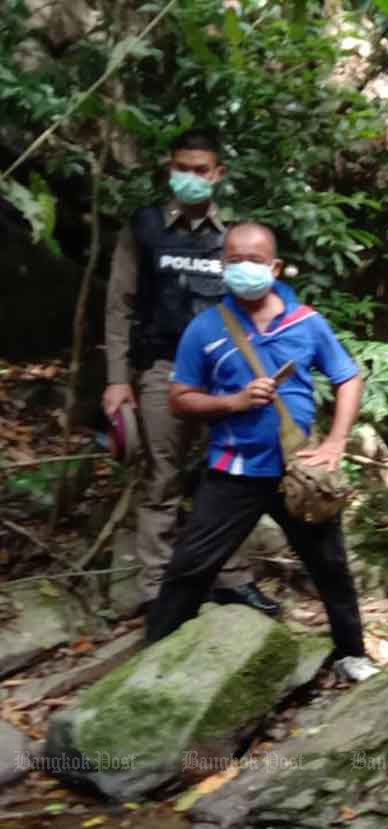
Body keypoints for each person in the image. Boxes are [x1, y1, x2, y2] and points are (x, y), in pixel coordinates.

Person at [144, 222, 377, 683]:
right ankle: (153, 656)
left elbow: (348, 378)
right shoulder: (206, 327)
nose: (243, 269)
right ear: (222, 266)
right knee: (190, 566)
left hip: (299, 472)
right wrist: (231, 402)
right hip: (233, 469)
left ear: (274, 266)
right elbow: (179, 397)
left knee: (330, 567)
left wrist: (334, 443)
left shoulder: (306, 322)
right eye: (233, 261)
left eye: (253, 261)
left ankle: (352, 653)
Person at [101, 128, 277, 619]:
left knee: (228, 479)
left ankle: (231, 578)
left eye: (202, 170)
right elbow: (119, 305)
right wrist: (117, 379)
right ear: (169, 169)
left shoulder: (232, 239)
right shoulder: (146, 228)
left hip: (227, 376)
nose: (191, 178)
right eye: (183, 168)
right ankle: (156, 588)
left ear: (218, 175)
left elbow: (257, 305)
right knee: (161, 478)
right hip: (163, 371)